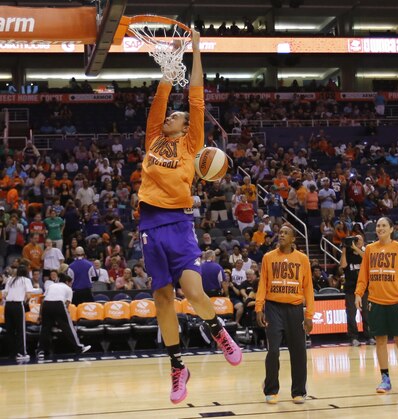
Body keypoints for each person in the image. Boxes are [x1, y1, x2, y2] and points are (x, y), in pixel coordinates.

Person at [137, 30, 241, 404]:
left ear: (185, 126)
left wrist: (194, 47)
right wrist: (171, 56)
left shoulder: (192, 143)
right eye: (172, 115)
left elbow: (195, 95)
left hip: (179, 223)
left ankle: (217, 329)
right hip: (149, 224)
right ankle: (177, 367)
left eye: (177, 116)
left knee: (194, 291)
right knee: (163, 298)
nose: (172, 117)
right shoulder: (153, 137)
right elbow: (163, 95)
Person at [255, 224, 314, 405]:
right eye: (280, 232)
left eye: (285, 233)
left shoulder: (302, 259)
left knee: (298, 352)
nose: (281, 235)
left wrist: (309, 315)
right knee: (273, 351)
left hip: (295, 309)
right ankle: (271, 389)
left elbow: (308, 288)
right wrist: (259, 307)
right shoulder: (268, 257)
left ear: (293, 239)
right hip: (273, 308)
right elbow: (263, 284)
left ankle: (299, 391)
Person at [355, 217, 398, 394]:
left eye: (383, 226)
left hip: (397, 302)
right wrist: (358, 293)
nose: (380, 228)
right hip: (376, 302)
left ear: (391, 229)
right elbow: (363, 275)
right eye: (378, 225)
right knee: (380, 340)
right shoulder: (370, 250)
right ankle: (385, 378)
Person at [36, 273, 91, 360]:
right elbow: (67, 304)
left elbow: (43, 300)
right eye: (70, 283)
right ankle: (79, 347)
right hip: (58, 304)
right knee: (68, 327)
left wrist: (40, 315)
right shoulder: (68, 288)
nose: (71, 285)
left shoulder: (51, 286)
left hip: (46, 305)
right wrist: (62, 316)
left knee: (45, 328)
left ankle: (40, 351)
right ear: (66, 282)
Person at [1, 264, 42, 362]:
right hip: (18, 306)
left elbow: (4, 295)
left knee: (10, 330)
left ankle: (12, 352)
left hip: (8, 306)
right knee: (20, 330)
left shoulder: (10, 280)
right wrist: (25, 302)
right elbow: (28, 295)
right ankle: (21, 353)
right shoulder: (26, 280)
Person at [340, 234, 373, 346]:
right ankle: (353, 337)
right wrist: (344, 248)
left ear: (363, 242)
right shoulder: (348, 254)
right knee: (351, 313)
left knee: (367, 313)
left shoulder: (365, 252)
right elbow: (343, 265)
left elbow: (368, 260)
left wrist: (356, 248)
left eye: (359, 240)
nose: (357, 241)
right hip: (350, 288)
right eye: (355, 240)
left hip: (364, 288)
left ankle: (369, 336)